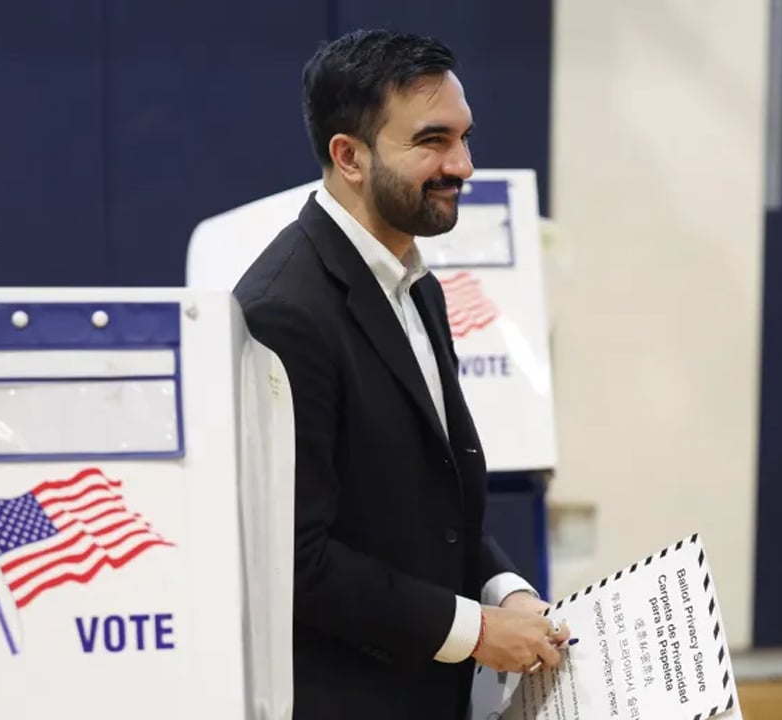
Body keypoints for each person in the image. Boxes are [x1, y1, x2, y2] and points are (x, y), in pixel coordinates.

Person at [233, 29, 570, 719]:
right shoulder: (283, 310)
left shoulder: (418, 285)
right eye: (433, 141)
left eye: (465, 138)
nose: (465, 165)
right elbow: (297, 560)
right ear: (348, 156)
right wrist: (476, 632)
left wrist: (505, 591)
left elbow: (433, 507)